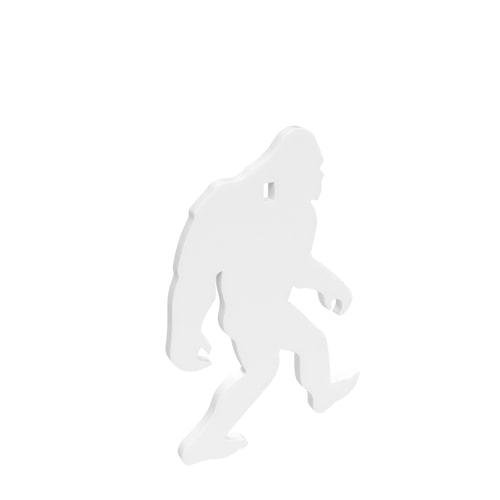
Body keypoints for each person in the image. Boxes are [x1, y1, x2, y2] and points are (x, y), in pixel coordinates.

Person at [167, 126, 358, 464]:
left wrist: (330, 286)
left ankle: (204, 442)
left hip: (257, 312)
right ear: (292, 172)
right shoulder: (249, 214)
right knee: (313, 343)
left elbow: (296, 266)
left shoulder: (301, 217)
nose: (322, 176)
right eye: (316, 167)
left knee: (259, 372)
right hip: (256, 314)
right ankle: (321, 394)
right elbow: (198, 271)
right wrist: (186, 329)